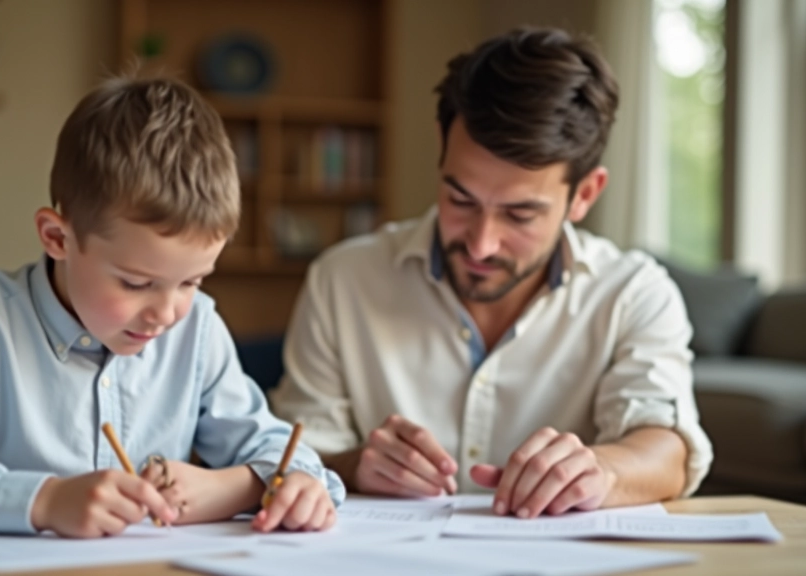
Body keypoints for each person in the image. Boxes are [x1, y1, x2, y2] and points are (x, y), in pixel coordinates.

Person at [0, 76, 343, 537]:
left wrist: (245, 487)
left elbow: (288, 459)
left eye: (191, 281)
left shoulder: (199, 330)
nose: (167, 313)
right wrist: (42, 501)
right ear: (58, 237)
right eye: (136, 283)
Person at [271, 27, 712, 519]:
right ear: (442, 146)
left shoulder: (633, 293)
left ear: (585, 194)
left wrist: (601, 472)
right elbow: (291, 452)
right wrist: (354, 466)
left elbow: (667, 450)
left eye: (520, 215)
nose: (481, 244)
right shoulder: (343, 280)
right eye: (461, 199)